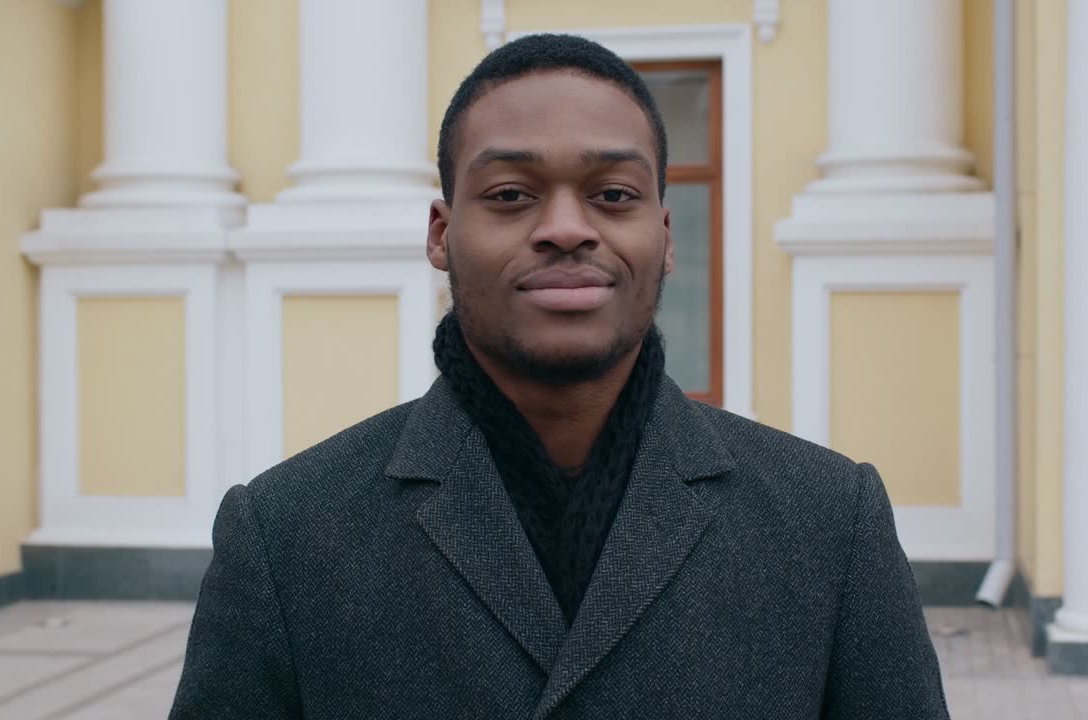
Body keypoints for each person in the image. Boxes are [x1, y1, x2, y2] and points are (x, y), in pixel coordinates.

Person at [169, 33, 950, 719]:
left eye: (614, 195)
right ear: (442, 234)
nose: (568, 229)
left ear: (665, 236)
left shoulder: (830, 521)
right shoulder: (284, 534)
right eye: (511, 195)